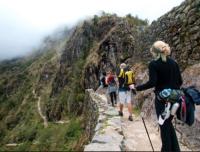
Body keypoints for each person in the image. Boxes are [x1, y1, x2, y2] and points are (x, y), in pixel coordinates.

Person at [135, 40, 182, 152]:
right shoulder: (174, 63)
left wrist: (137, 88)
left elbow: (152, 82)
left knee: (164, 127)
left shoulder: (154, 64)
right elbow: (180, 81)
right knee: (168, 124)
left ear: (155, 52)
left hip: (162, 101)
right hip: (175, 99)